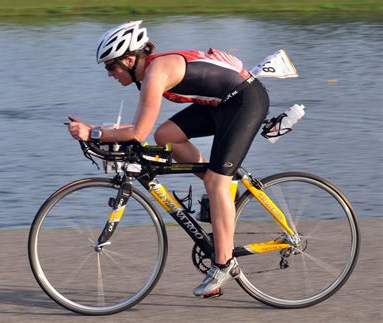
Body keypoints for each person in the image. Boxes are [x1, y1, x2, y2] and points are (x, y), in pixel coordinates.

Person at [68, 20, 269, 297]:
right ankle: (221, 190)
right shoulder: (148, 73)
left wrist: (93, 132)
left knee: (215, 181)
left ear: (129, 59)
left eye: (110, 66)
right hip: (219, 104)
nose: (109, 73)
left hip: (244, 101)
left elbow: (138, 133)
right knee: (166, 136)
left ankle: (224, 263)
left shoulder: (155, 74)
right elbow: (144, 130)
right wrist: (106, 134)